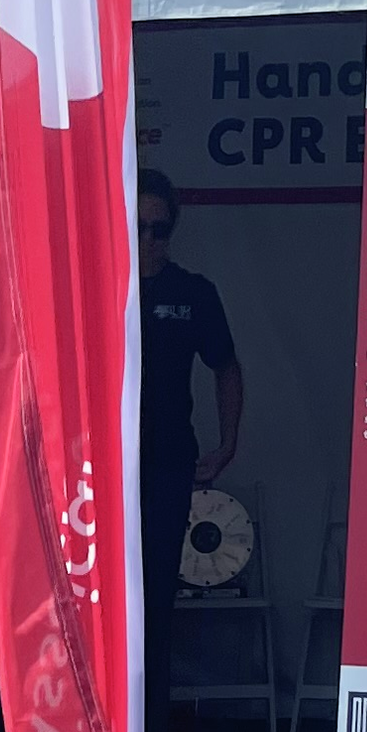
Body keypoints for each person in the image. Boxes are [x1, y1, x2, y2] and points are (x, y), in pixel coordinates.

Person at [135, 171, 245, 634]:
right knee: (92, 593)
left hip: (166, 461)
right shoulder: (88, 287)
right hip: (94, 467)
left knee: (157, 594)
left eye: (158, 228)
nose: (148, 238)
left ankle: (153, 708)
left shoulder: (193, 292)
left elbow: (227, 367)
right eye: (136, 225)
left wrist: (227, 445)